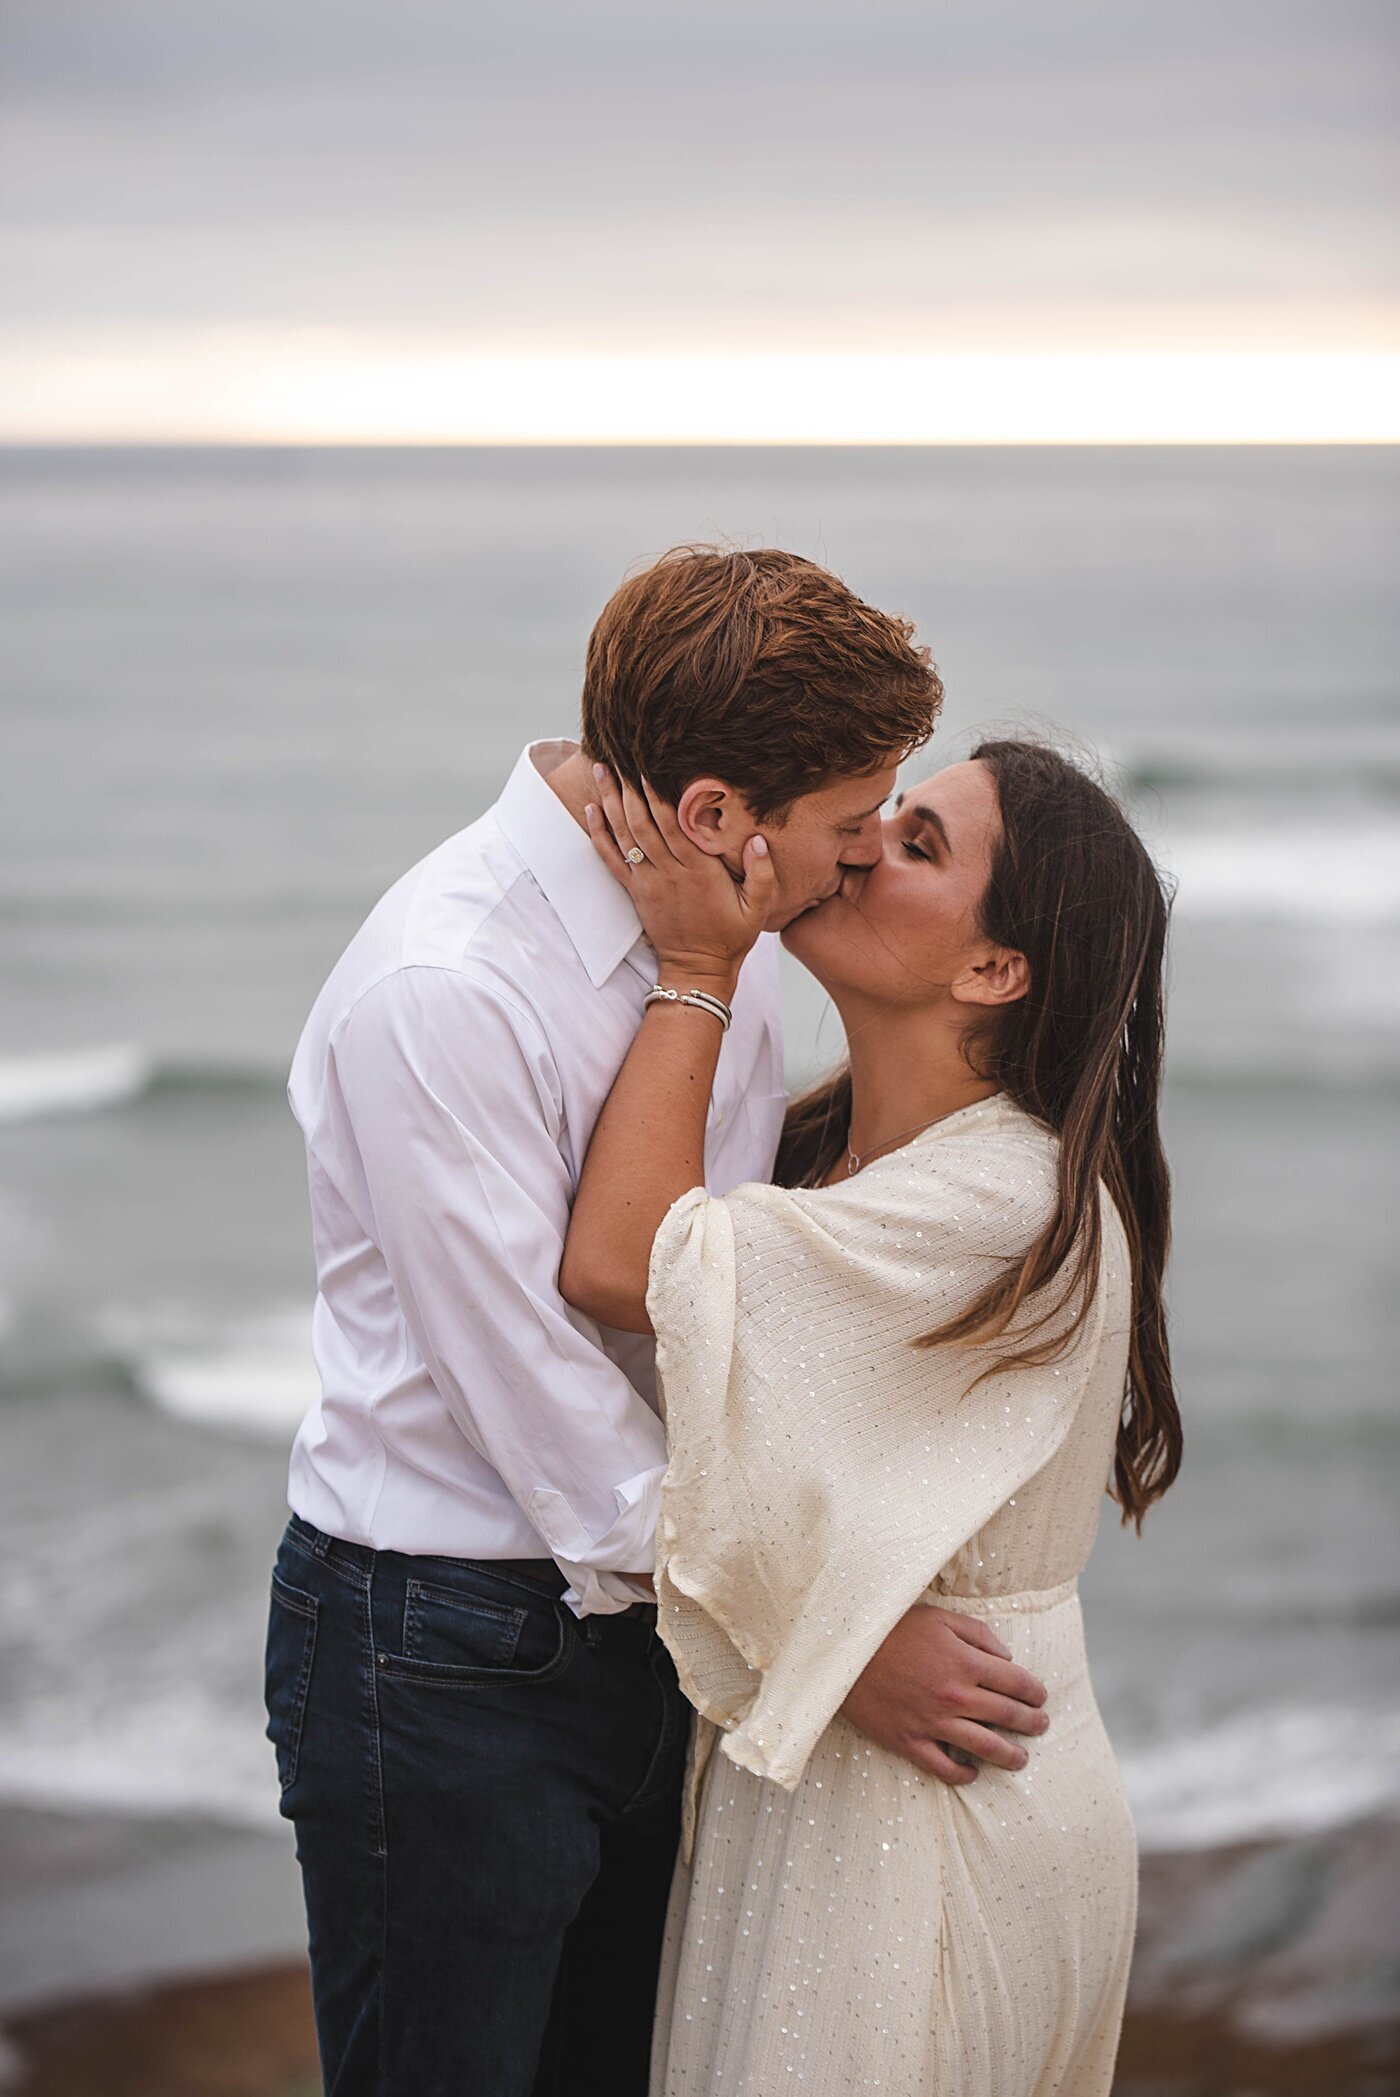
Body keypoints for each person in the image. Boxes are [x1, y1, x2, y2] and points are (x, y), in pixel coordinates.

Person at [263, 548, 1057, 2097]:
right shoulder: (446, 988)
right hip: (440, 1652)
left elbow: (718, 1290)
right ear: (713, 816)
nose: (853, 866)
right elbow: (555, 1424)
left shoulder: (722, 938)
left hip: (651, 1636)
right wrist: (826, 1640)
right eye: (846, 826)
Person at [561, 739, 1182, 2096]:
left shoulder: (1004, 1198)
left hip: (939, 1795)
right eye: (886, 816)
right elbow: (744, 1431)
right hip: (848, 1748)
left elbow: (618, 1258)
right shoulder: (823, 1147)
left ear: (993, 971)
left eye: (917, 845)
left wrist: (699, 966)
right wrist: (832, 1637)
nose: (860, 844)